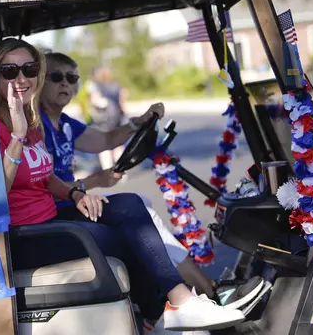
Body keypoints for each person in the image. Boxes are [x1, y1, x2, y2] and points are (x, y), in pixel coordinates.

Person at [0, 38, 245, 333]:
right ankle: (165, 309)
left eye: (29, 68)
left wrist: (75, 193)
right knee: (120, 235)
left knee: (130, 205)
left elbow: (46, 177)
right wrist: (18, 136)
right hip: (26, 236)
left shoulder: (31, 119)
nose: (21, 78)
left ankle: (179, 303)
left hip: (51, 216)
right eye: (10, 71)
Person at [40, 51, 265, 309]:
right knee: (135, 207)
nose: (65, 84)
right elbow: (44, 186)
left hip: (73, 205)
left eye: (72, 78)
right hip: (59, 212)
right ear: (39, 82)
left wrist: (138, 123)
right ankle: (200, 293)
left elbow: (105, 140)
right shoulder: (38, 127)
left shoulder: (65, 124)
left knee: (142, 206)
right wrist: (93, 181)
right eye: (56, 77)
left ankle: (200, 292)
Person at [87, 66, 127, 170]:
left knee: (104, 146)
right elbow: (122, 102)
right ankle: (120, 169)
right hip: (116, 118)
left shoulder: (96, 86)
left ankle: (109, 171)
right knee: (118, 144)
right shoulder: (116, 86)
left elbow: (95, 101)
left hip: (103, 120)